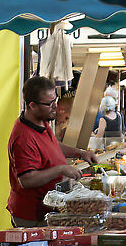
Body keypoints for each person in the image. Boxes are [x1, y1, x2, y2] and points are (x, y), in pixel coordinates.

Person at [7, 75, 91, 226]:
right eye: (49, 103)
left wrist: (80, 153)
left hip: (48, 207)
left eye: (55, 100)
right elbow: (27, 180)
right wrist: (61, 169)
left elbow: (52, 146)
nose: (55, 106)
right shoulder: (23, 137)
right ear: (32, 105)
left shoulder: (41, 121)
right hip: (32, 215)